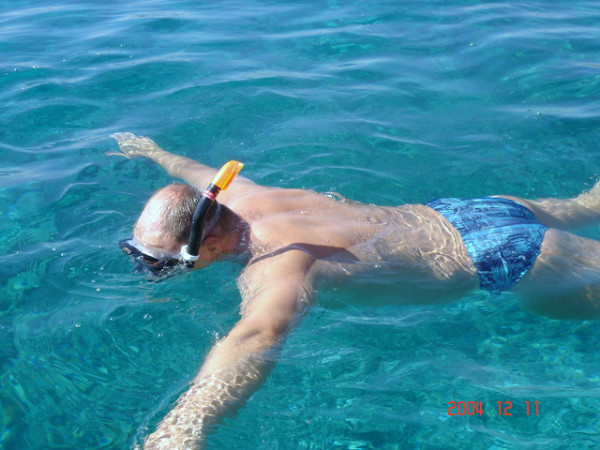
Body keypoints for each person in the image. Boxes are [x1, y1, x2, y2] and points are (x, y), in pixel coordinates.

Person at [109, 132, 600, 449]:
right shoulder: (238, 195)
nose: (154, 269)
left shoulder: (276, 265)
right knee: (589, 204)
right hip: (465, 212)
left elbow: (255, 337)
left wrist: (182, 429)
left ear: (211, 245)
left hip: (504, 255)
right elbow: (194, 173)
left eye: (165, 262)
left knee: (552, 305)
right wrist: (154, 152)